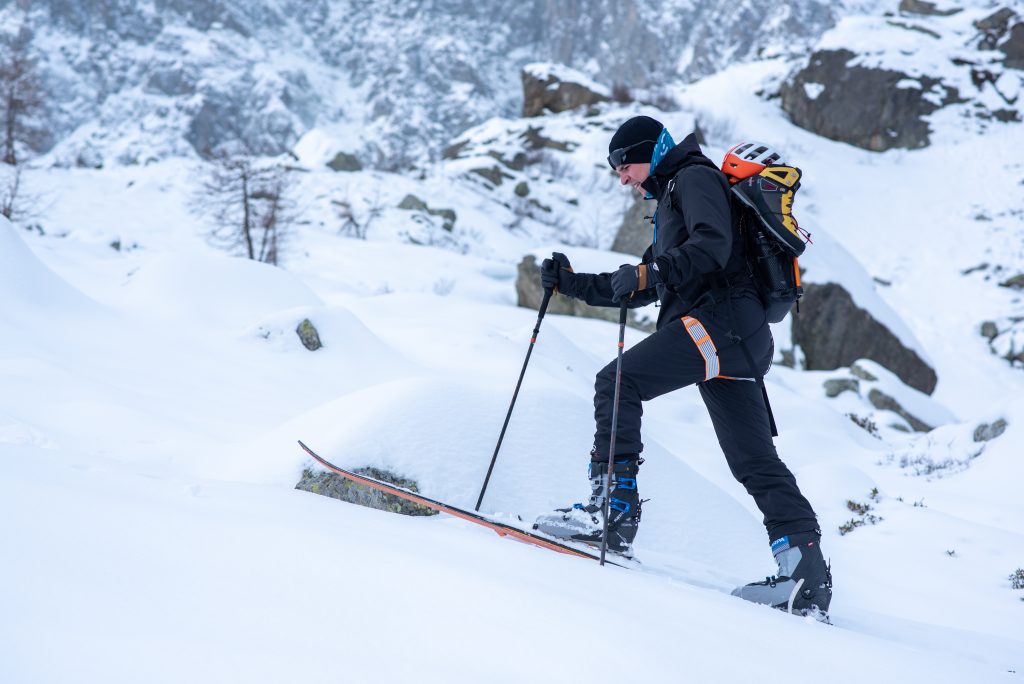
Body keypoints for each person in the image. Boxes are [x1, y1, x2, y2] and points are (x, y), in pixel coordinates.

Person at [532, 115, 832, 616]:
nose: (623, 179)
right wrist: (570, 283)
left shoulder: (693, 178)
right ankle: (806, 577)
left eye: (623, 167)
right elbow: (643, 283)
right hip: (737, 336)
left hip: (721, 322)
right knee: (754, 460)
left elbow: (710, 247)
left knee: (617, 381)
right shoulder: (676, 195)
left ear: (648, 153)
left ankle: (611, 515)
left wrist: (650, 271)